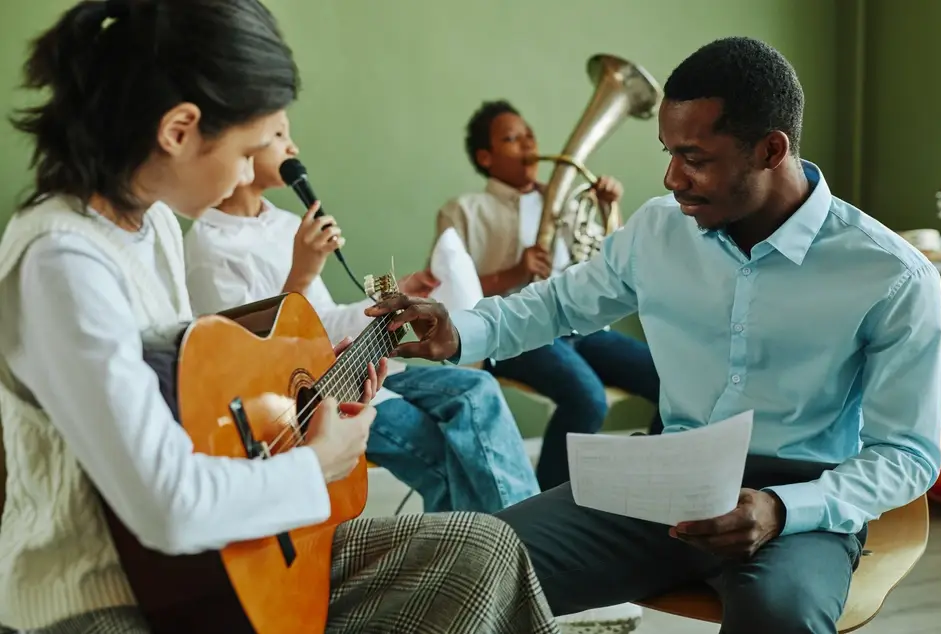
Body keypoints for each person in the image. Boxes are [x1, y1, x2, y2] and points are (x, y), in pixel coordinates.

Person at [0, 2, 559, 633]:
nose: (250, 171)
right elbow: (169, 508)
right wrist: (318, 462)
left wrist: (322, 401)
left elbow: (197, 406)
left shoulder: (151, 222)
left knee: (482, 549)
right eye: (248, 150)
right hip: (105, 595)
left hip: (217, 559)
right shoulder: (61, 262)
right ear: (179, 130)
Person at [369, 36, 941, 633]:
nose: (672, 178)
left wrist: (782, 508)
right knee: (477, 564)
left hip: (803, 505)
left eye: (695, 157)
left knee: (781, 617)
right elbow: (559, 303)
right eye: (668, 153)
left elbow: (907, 455)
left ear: (771, 150)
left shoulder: (891, 274)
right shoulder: (656, 231)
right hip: (663, 480)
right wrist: (458, 329)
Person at [183, 110, 540, 514]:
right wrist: (300, 274)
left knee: (478, 391)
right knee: (445, 457)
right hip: (306, 402)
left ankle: (521, 538)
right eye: (278, 134)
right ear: (241, 145)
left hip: (352, 371)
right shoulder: (210, 248)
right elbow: (249, 364)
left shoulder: (284, 225)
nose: (292, 147)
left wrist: (398, 292)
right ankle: (513, 550)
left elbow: (325, 321)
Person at [435, 100, 661, 493]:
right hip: (516, 331)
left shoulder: (567, 202)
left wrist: (610, 210)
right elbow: (451, 290)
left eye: (529, 135)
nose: (527, 145)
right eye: (511, 139)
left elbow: (607, 263)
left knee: (670, 379)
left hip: (579, 327)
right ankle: (546, 504)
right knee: (588, 399)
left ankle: (658, 488)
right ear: (485, 157)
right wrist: (515, 273)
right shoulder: (463, 210)